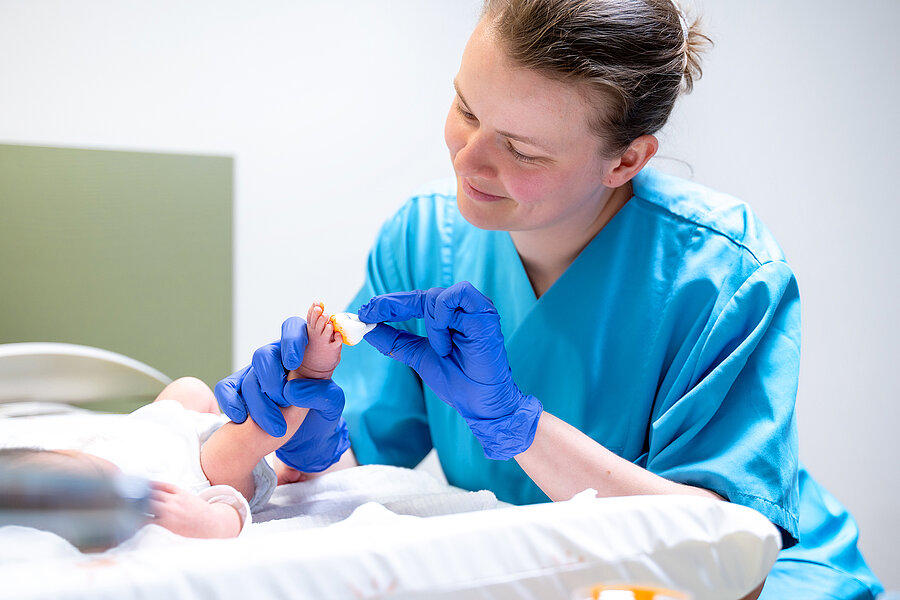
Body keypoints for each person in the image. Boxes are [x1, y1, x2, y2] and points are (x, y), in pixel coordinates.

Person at [215, 1, 884, 598]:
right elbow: (356, 467)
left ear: (625, 161)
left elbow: (731, 567)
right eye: (466, 109)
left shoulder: (725, 275)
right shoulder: (423, 240)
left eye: (521, 150)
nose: (468, 162)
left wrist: (518, 426)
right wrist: (301, 428)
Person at [0, 302, 342, 541]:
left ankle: (280, 465)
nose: (103, 478)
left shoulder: (66, 457)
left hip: (160, 427)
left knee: (187, 387)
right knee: (241, 445)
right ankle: (310, 373)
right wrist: (208, 523)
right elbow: (231, 509)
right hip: (206, 466)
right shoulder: (145, 508)